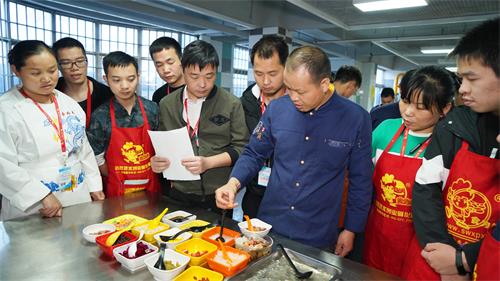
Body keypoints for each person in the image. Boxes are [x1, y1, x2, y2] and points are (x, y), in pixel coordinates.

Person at [215, 46, 372, 253]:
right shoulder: (277, 109)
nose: (293, 97)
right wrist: (233, 184)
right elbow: (254, 153)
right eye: (289, 88)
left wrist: (351, 229)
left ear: (324, 84)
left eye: (301, 91)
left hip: (318, 230)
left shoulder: (356, 118)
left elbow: (361, 180)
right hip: (270, 223)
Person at [402, 18, 499, 280]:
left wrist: (467, 259)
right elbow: (425, 188)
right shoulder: (456, 124)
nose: (463, 90)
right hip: (436, 255)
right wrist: (445, 257)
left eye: (472, 79)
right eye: (460, 79)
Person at [363, 66, 456, 277]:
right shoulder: (385, 129)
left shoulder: (450, 144)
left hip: (422, 243)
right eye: (405, 100)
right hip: (377, 232)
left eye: (421, 107)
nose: (408, 112)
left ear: (445, 108)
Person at [0, 40, 104, 220]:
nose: (47, 79)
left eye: (52, 70)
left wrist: (95, 186)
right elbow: (3, 165)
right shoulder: (7, 109)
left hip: (76, 195)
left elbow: (83, 150)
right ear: (16, 70)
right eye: (36, 73)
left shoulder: (67, 103)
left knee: (78, 243)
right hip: (35, 204)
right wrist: (41, 195)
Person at [151, 40, 248, 212]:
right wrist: (157, 161)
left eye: (209, 76)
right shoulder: (167, 104)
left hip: (217, 193)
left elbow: (242, 148)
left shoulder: (231, 103)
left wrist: (208, 163)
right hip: (179, 193)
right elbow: (163, 144)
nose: (202, 84)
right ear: (183, 70)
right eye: (194, 76)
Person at [87, 51, 160, 197]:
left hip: (151, 187)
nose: (125, 86)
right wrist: (117, 175)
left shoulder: (152, 109)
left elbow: (162, 147)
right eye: (116, 80)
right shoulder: (100, 116)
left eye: (131, 79)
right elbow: (96, 156)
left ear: (138, 77)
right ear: (106, 79)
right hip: (117, 190)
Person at [240, 35, 288, 218]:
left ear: (286, 67)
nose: (265, 81)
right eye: (259, 74)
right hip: (254, 193)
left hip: (287, 197)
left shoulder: (300, 103)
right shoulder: (246, 103)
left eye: (273, 74)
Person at [52, 37, 113, 128]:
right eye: (66, 63)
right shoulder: (51, 93)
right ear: (58, 66)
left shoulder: (106, 95)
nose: (75, 68)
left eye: (80, 61)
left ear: (86, 62)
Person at [150, 37, 185, 104]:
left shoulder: (199, 89)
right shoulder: (158, 95)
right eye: (159, 65)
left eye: (170, 62)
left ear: (181, 60)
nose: (166, 70)